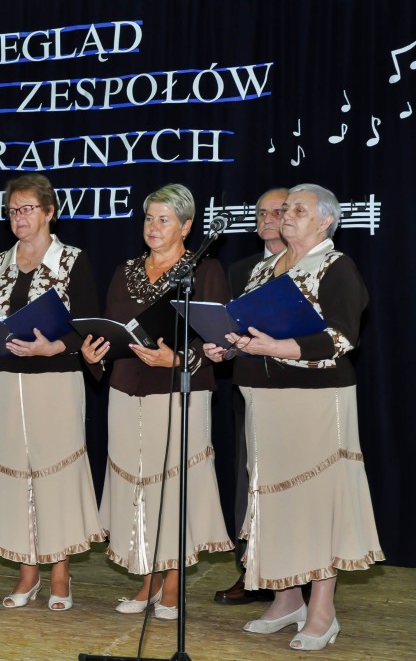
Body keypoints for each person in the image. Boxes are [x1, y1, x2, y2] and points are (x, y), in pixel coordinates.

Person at [203, 184, 383, 651]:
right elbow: (247, 330)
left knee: (316, 506)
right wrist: (225, 347)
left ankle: (322, 610)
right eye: (285, 209)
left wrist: (279, 347)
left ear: (325, 221)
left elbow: (343, 337)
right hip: (263, 400)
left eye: (298, 210)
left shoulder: (336, 265)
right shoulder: (264, 268)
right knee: (274, 504)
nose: (286, 215)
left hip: (316, 400)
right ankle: (286, 600)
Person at [81, 183, 232, 621]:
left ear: (186, 226)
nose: (153, 226)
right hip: (126, 388)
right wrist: (92, 353)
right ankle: (147, 577)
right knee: (136, 487)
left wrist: (179, 359)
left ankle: (173, 582)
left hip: (178, 389)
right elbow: (111, 329)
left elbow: (219, 337)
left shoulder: (205, 270)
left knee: (174, 485)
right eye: (148, 218)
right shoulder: (125, 270)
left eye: (163, 219)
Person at [0, 173, 104, 612]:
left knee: (54, 476)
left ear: (49, 212)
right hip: (5, 383)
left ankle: (60, 572)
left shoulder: (73, 261)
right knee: (12, 474)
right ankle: (27, 570)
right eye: (12, 211)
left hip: (56, 382)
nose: (18, 217)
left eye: (27, 209)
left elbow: (88, 327)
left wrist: (55, 347)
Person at [214, 188, 287, 606]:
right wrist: (220, 346)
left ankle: (300, 573)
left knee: (293, 482)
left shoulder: (309, 266)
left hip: (297, 387)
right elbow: (231, 327)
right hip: (249, 388)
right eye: (260, 213)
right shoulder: (241, 268)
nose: (267, 219)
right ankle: (251, 570)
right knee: (249, 480)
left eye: (277, 211)